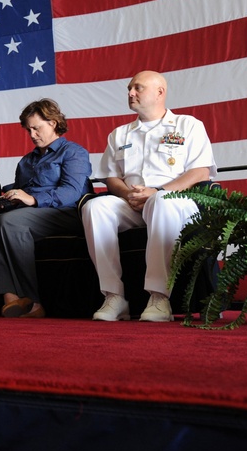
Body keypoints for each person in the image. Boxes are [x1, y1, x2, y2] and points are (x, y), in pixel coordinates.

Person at [81, 71, 216, 322]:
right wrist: (128, 194)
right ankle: (114, 296)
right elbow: (111, 177)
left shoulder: (188, 125)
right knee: (95, 207)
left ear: (160, 92)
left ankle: (159, 297)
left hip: (175, 201)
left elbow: (200, 171)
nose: (131, 93)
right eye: (130, 88)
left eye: (138, 88)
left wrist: (159, 192)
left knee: (161, 202)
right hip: (132, 201)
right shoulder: (119, 134)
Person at [0, 99, 93, 319]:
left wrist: (32, 199)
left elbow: (73, 192)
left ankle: (33, 302)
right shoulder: (27, 161)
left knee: (10, 222)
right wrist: (3, 199)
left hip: (65, 213)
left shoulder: (73, 152)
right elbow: (21, 191)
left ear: (53, 123)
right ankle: (10, 297)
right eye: (28, 129)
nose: (32, 134)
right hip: (33, 212)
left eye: (36, 128)